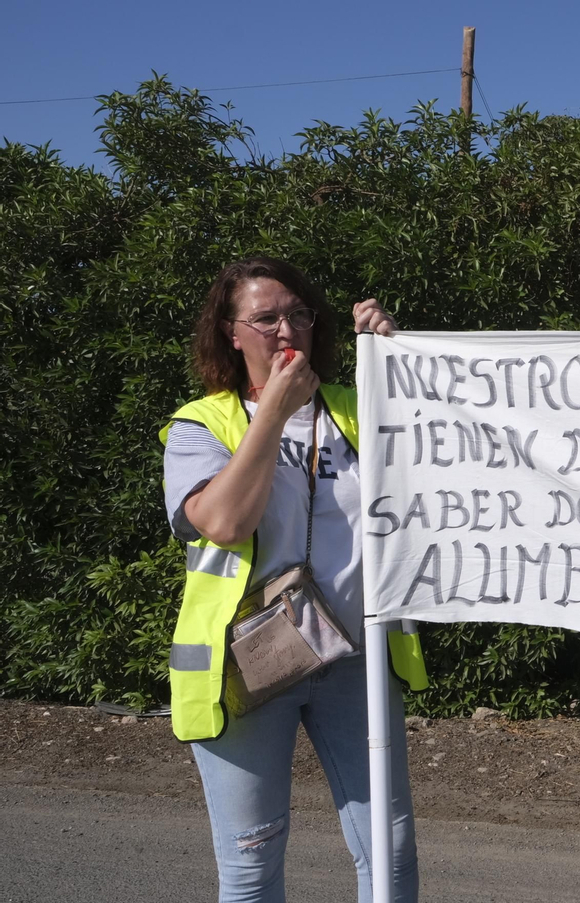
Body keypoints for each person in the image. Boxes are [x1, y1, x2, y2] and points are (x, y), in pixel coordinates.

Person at [160, 256, 429, 903]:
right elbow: (224, 520)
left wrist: (399, 365)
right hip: (249, 664)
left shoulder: (358, 406)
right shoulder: (201, 424)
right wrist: (274, 411)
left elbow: (443, 462)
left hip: (354, 660)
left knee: (389, 855)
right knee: (253, 864)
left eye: (299, 314)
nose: (287, 328)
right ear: (230, 331)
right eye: (267, 317)